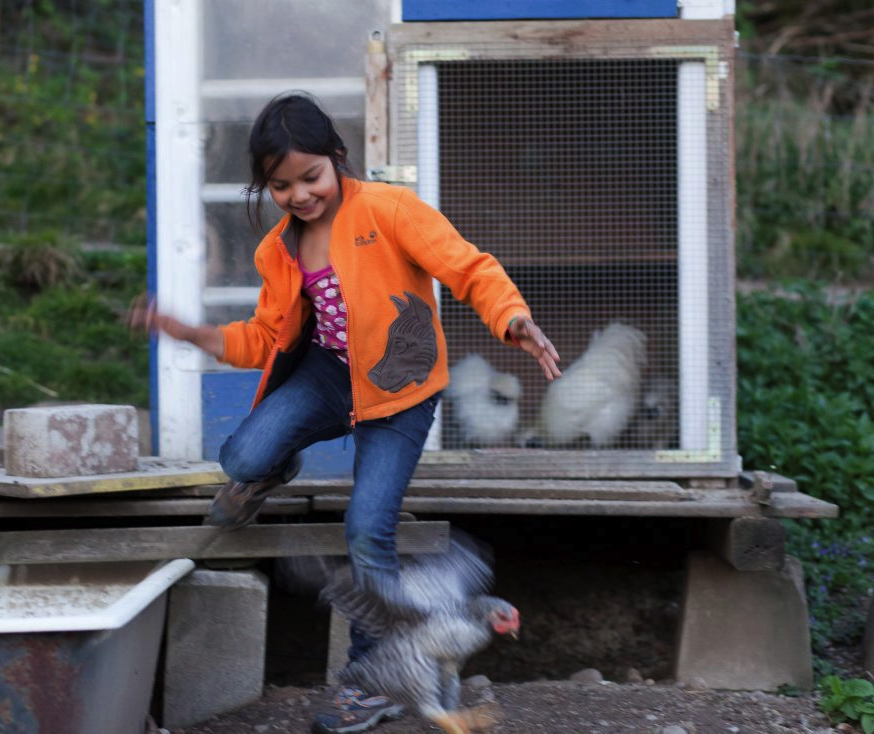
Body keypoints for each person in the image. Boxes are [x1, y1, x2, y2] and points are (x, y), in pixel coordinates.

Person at [131, 92, 561, 734]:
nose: (300, 195)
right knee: (243, 457)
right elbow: (264, 338)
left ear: (337, 158)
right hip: (330, 378)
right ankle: (272, 471)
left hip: (400, 394)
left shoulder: (388, 210)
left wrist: (512, 317)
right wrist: (192, 333)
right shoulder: (278, 250)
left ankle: (372, 682)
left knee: (366, 528)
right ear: (265, 185)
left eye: (311, 177)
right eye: (281, 185)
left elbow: (465, 265)